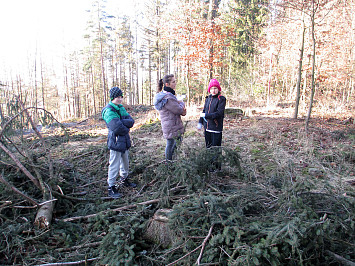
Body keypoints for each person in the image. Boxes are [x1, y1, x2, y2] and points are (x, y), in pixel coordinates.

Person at [102, 87, 137, 199]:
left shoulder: (120, 108)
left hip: (124, 141)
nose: (120, 99)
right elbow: (116, 127)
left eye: (121, 97)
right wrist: (125, 127)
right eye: (117, 97)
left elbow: (131, 121)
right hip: (116, 141)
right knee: (114, 164)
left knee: (125, 162)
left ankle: (124, 179)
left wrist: (122, 122)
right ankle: (111, 187)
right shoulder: (109, 110)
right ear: (112, 98)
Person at [154, 74, 186, 161]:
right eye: (173, 82)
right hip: (171, 126)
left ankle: (172, 162)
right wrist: (181, 102)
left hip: (172, 125)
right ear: (167, 84)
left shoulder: (167, 95)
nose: (175, 83)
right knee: (171, 145)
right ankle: (169, 164)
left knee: (173, 144)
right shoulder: (168, 97)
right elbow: (179, 110)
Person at [197, 78, 226, 171]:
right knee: (208, 147)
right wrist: (200, 122)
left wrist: (207, 115)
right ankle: (210, 166)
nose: (213, 90)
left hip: (216, 128)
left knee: (216, 149)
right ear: (209, 89)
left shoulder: (221, 99)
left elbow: (219, 113)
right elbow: (204, 111)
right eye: (212, 88)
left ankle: (217, 168)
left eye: (215, 88)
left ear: (218, 89)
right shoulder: (208, 98)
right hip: (207, 128)